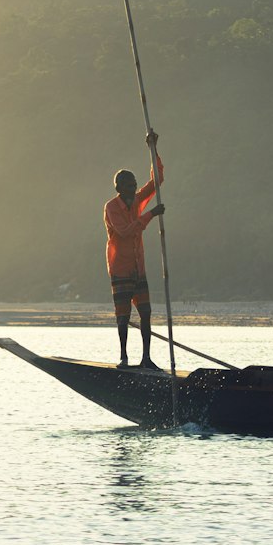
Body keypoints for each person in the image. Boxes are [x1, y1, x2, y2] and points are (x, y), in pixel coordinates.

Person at [104, 129, 166, 369]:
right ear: (119, 187)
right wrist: (151, 214)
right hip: (121, 269)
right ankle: (123, 357)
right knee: (123, 316)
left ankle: (146, 359)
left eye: (134, 185)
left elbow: (157, 181)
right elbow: (125, 231)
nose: (133, 189)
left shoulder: (138, 200)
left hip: (138, 269)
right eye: (129, 186)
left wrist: (153, 150)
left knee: (146, 313)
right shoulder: (112, 207)